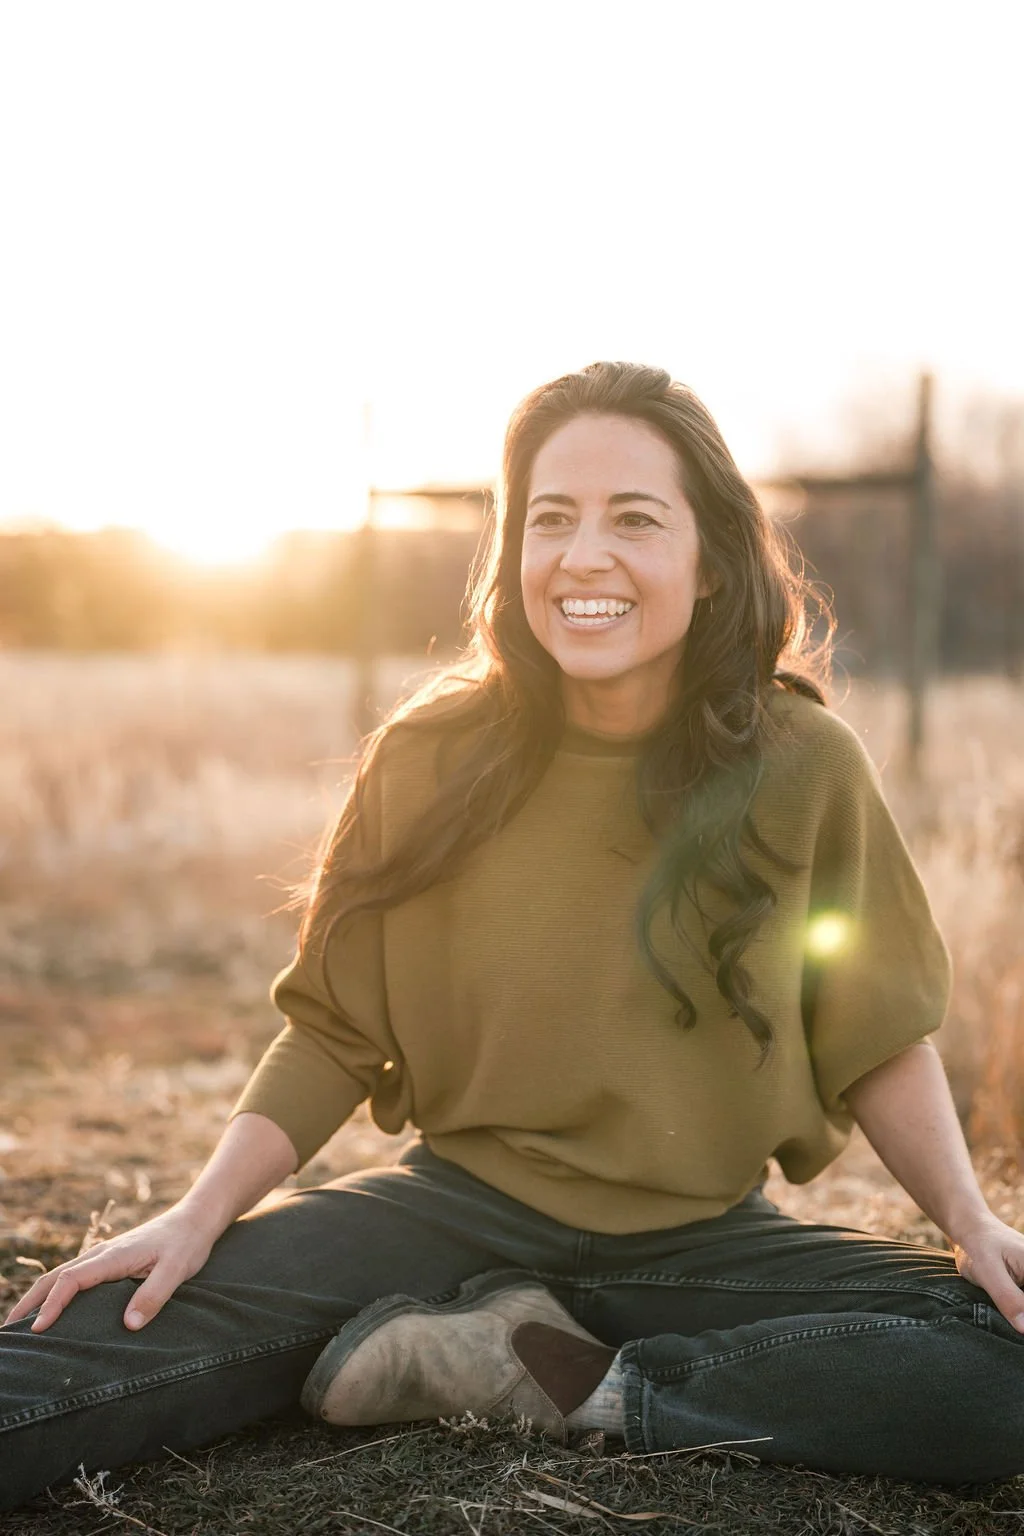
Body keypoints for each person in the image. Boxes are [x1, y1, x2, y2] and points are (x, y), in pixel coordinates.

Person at [3, 361, 1024, 1511]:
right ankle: (473, 1338)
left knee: (1007, 1362)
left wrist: (969, 1222)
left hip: (703, 1251)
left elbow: (877, 1032)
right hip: (441, 1218)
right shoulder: (429, 754)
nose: (583, 556)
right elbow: (335, 1027)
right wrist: (197, 1216)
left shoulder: (802, 769)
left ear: (710, 555)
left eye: (634, 519)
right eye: (551, 519)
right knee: (75, 1349)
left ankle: (571, 1385)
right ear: (513, 552)